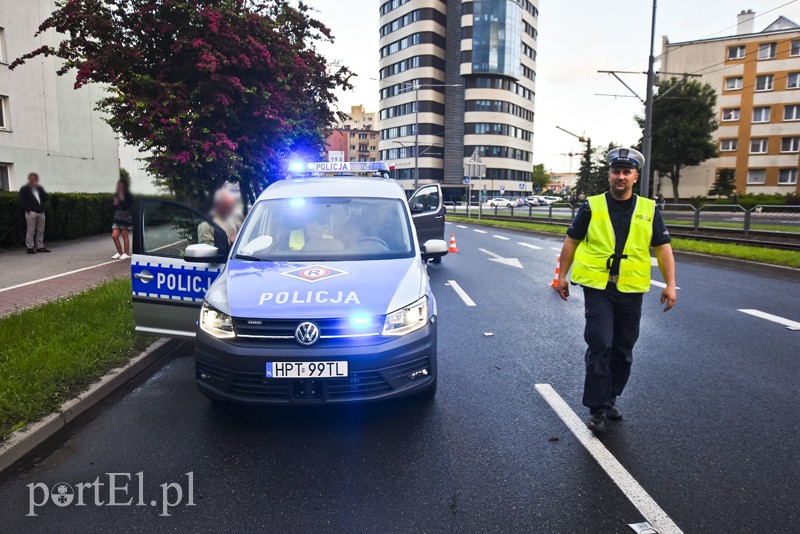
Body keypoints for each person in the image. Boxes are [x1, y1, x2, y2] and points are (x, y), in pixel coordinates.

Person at [555, 147, 677, 434]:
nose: (620, 176)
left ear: (635, 177)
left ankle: (610, 399)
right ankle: (597, 408)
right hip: (598, 288)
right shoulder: (592, 206)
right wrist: (561, 276)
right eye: (616, 171)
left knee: (623, 349)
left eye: (626, 172)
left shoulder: (649, 210)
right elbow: (571, 241)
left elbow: (663, 248)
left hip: (631, 289)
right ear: (609, 175)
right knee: (600, 343)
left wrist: (670, 284)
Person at [19, 172, 50, 254]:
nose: (33, 181)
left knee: (40, 231)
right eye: (32, 179)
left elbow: (45, 197)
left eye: (35, 179)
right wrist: (28, 209)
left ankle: (40, 247)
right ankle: (30, 247)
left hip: (41, 212)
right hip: (31, 212)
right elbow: (22, 201)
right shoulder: (25, 189)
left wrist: (40, 189)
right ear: (29, 179)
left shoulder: (39, 188)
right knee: (31, 230)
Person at [111, 179, 133, 259]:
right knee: (114, 235)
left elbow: (128, 205)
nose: (120, 187)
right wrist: (115, 203)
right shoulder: (116, 194)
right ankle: (119, 252)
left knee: (124, 235)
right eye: (119, 185)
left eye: (121, 185)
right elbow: (114, 206)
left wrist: (122, 198)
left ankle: (126, 253)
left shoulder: (128, 195)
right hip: (117, 216)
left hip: (125, 216)